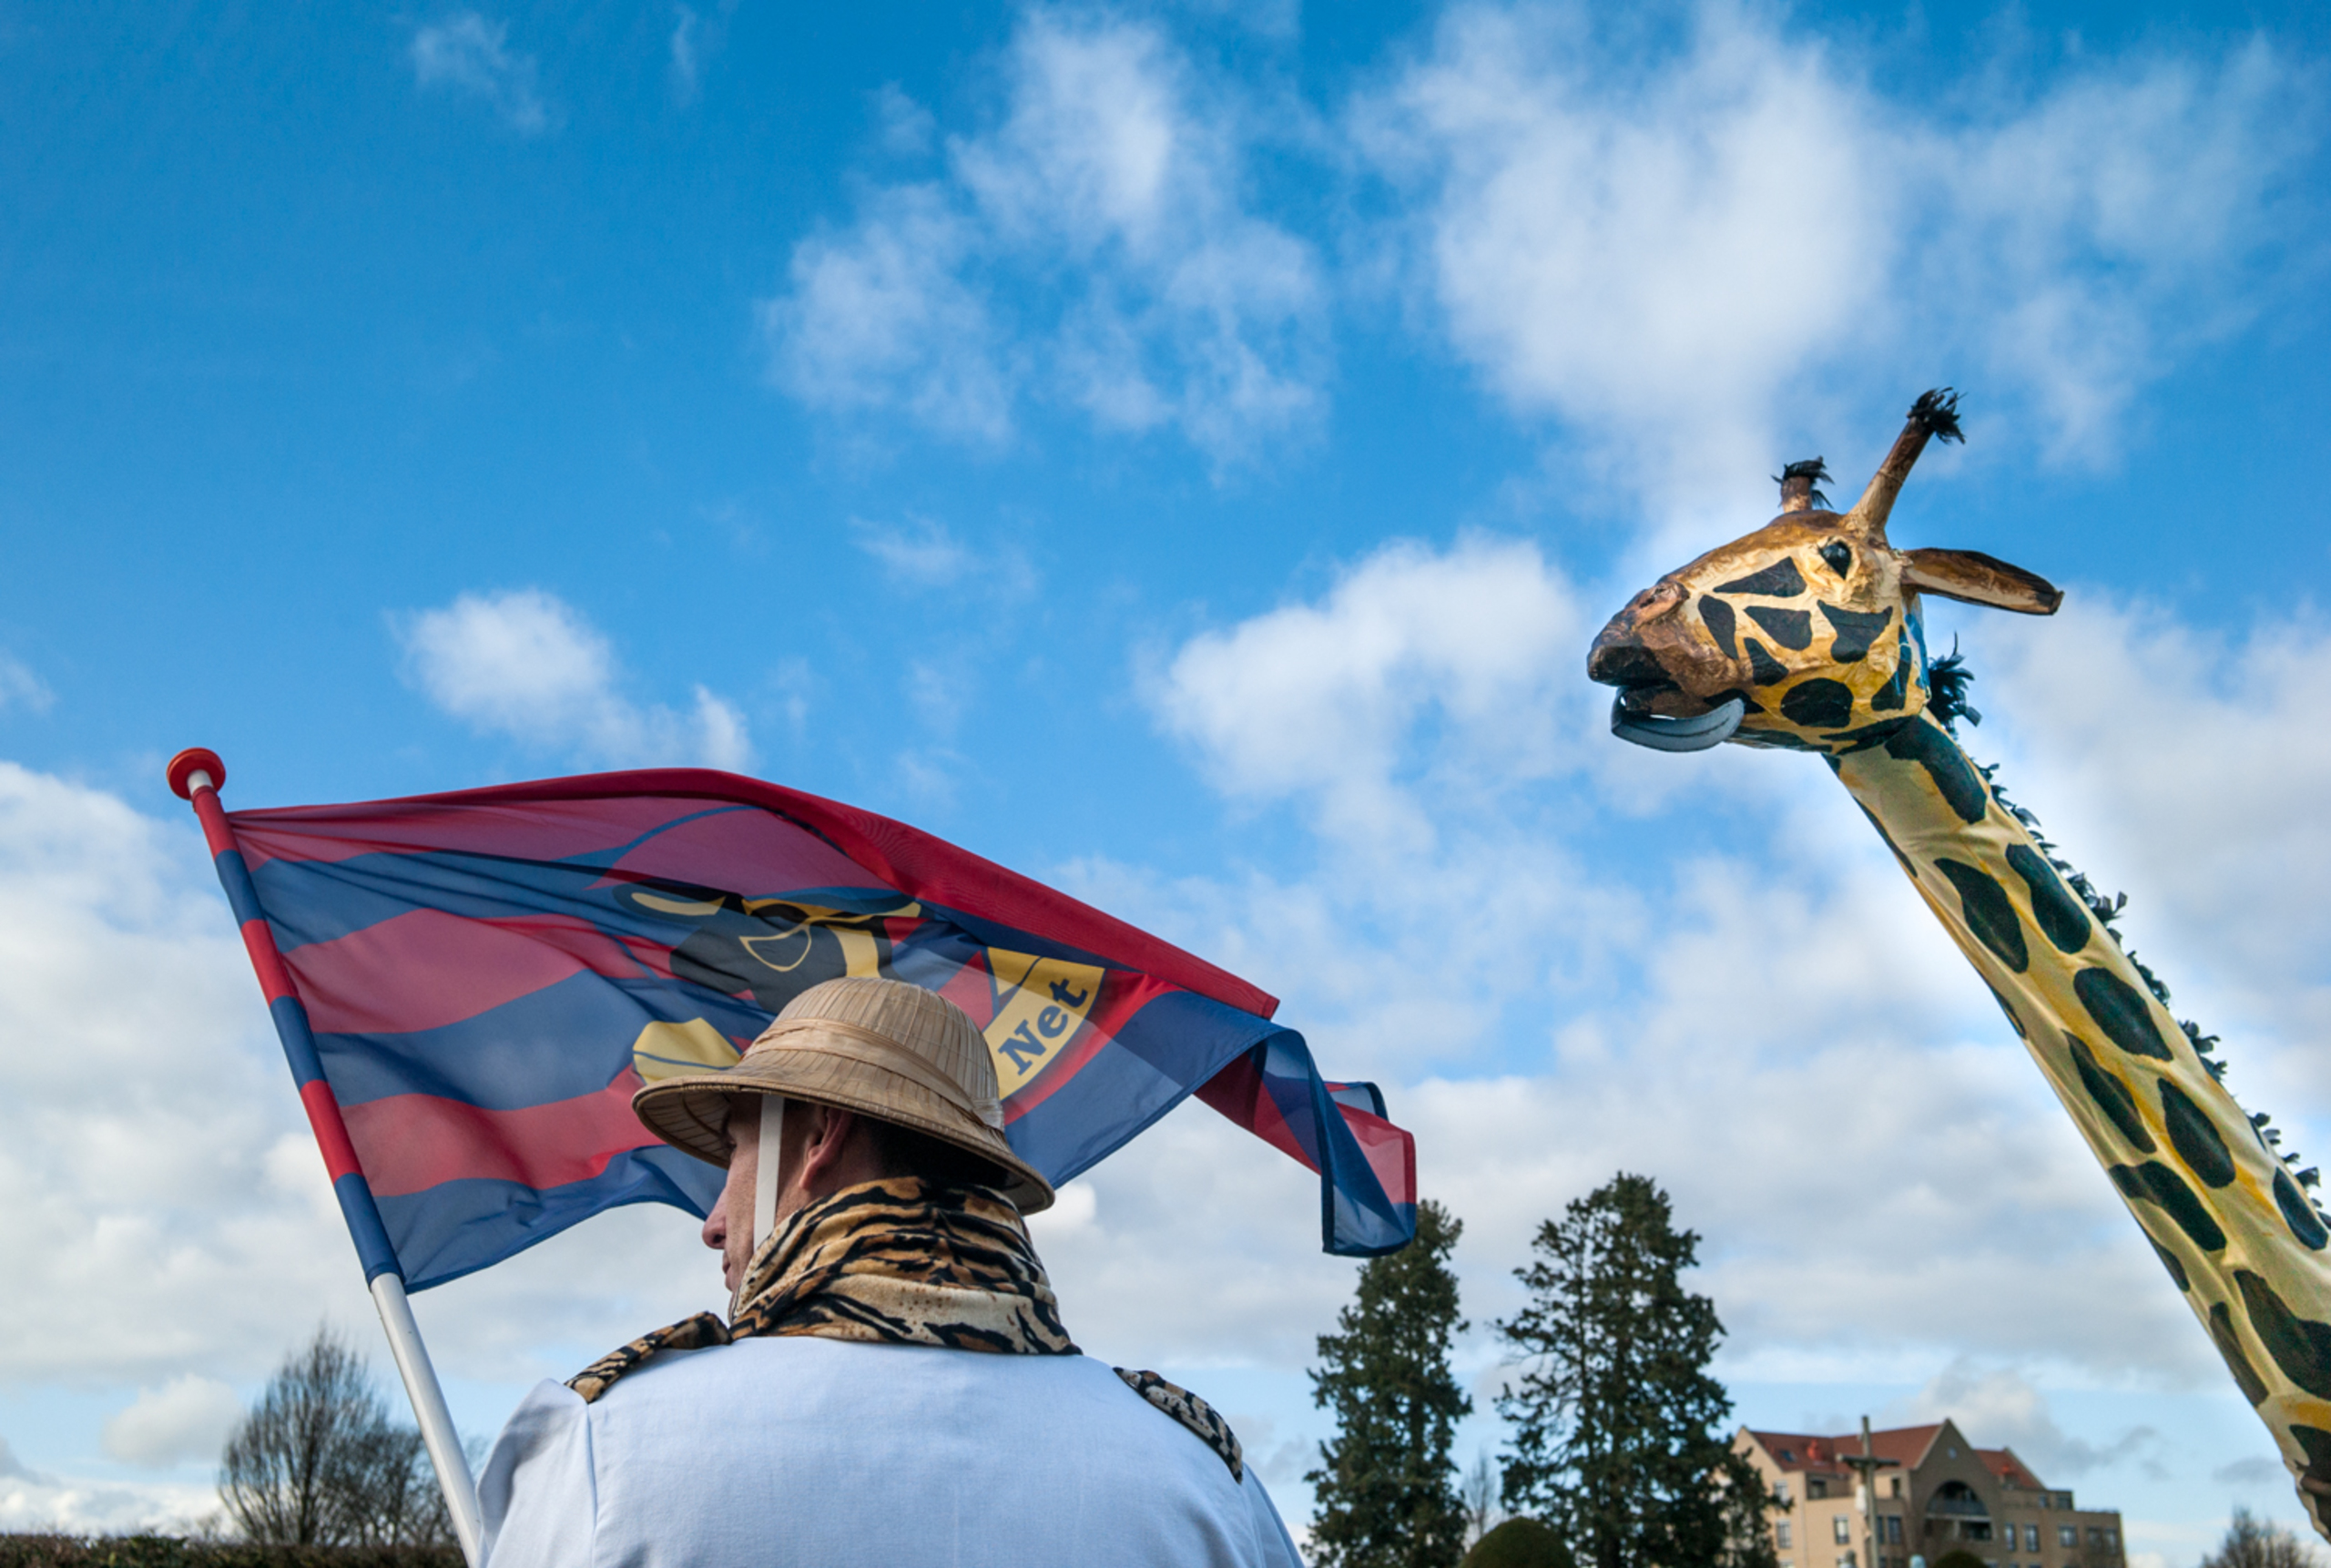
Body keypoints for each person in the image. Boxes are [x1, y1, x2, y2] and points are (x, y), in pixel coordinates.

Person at [478, 975, 1305, 1567]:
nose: (714, 1223)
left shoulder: (607, 1449)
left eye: (733, 1153)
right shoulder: (1200, 1477)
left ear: (818, 1137)